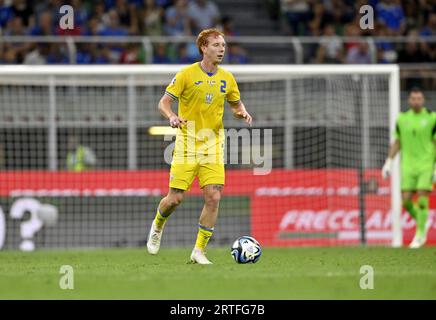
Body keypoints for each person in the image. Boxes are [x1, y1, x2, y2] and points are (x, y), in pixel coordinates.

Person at [146, 28, 252, 264]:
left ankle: (199, 251)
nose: (221, 49)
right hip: (187, 143)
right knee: (175, 199)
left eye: (223, 45)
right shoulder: (186, 74)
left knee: (213, 197)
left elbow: (235, 103)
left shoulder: (227, 78)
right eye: (216, 45)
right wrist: (172, 116)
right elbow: (163, 103)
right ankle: (158, 224)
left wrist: (240, 111)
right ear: (204, 47)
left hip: (214, 145)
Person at [382, 87, 436, 248]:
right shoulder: (401, 119)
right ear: (409, 100)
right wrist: (389, 162)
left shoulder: (432, 118)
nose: (416, 101)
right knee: (405, 201)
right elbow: (397, 142)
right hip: (407, 165)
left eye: (419, 98)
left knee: (421, 196)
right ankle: (422, 223)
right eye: (413, 98)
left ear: (423, 100)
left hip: (426, 164)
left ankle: (419, 235)